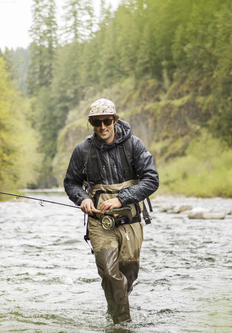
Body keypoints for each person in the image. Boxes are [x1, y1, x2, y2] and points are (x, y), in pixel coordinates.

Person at [63, 98, 159, 324]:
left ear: (115, 120)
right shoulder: (82, 150)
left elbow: (151, 180)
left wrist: (121, 198)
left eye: (107, 121)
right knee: (108, 271)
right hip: (99, 221)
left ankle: (115, 309)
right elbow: (71, 183)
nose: (102, 126)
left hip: (131, 219)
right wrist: (82, 198)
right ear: (91, 123)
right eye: (97, 122)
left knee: (128, 274)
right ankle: (122, 323)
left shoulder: (134, 145)